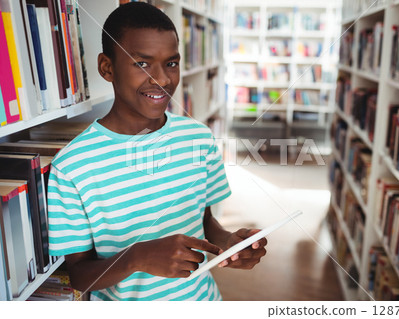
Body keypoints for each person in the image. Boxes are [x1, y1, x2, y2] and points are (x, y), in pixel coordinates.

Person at [47, 2, 267, 301]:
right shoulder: (72, 166)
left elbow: (202, 221)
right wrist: (137, 257)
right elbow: (79, 275)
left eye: (171, 64)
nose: (162, 79)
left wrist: (228, 243)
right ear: (107, 67)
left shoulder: (198, 137)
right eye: (142, 64)